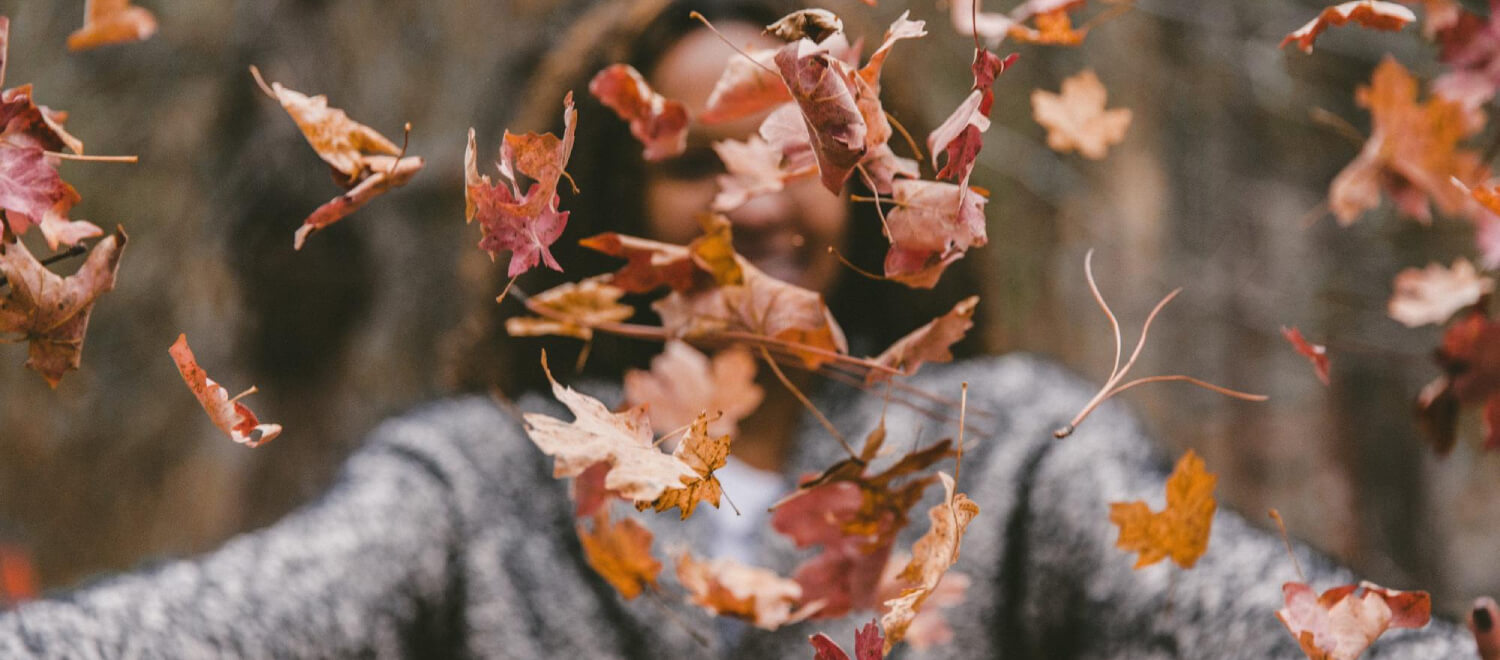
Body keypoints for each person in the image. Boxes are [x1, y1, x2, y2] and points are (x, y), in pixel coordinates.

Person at [0, 0, 1494, 657]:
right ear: (601, 207)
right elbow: (233, 622)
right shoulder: (484, 490)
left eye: (799, 151)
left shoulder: (1004, 457)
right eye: (694, 154)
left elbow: (1241, 617)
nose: (756, 197)